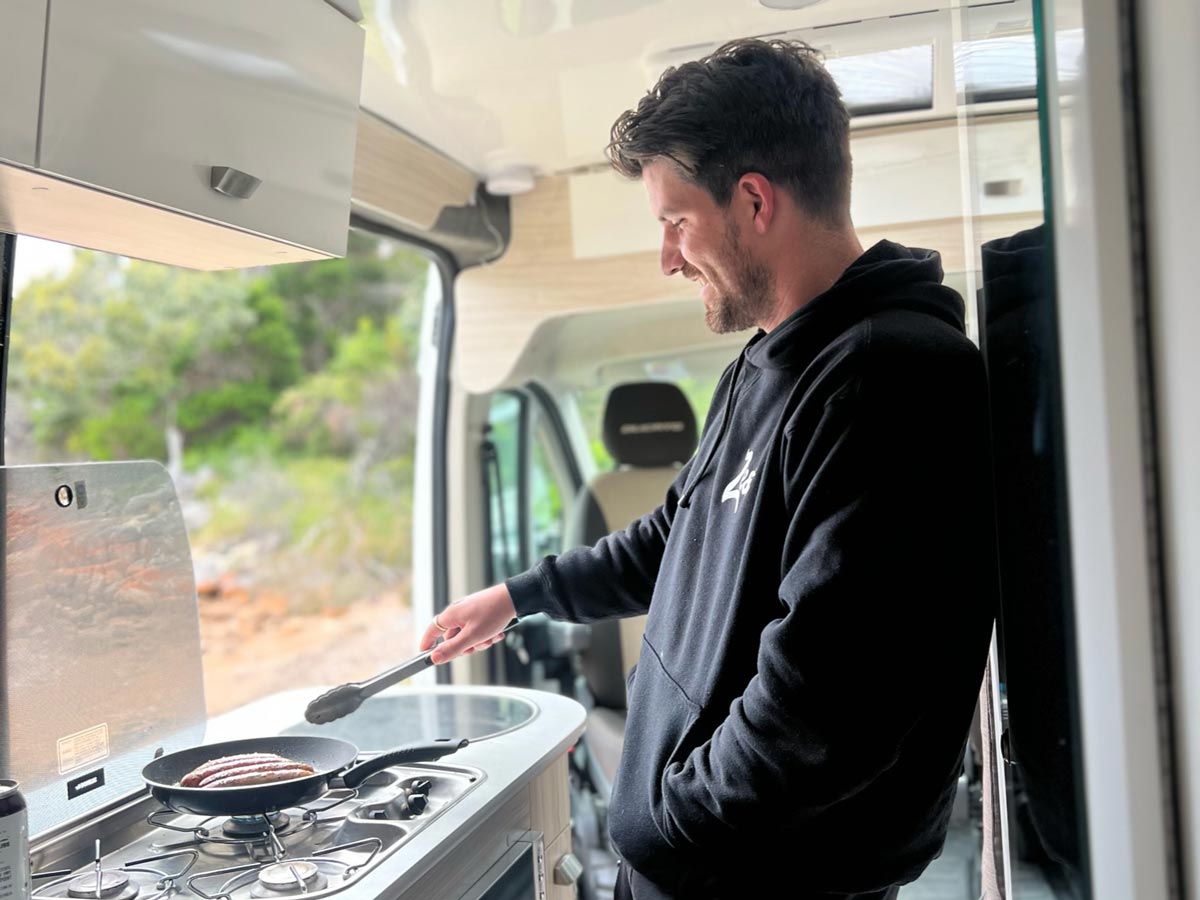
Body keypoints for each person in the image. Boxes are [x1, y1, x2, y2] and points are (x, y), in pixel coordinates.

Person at [419, 38, 999, 900]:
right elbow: (680, 534)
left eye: (674, 221)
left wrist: (662, 824)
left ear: (755, 200)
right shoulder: (767, 364)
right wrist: (521, 597)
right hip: (699, 869)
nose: (668, 256)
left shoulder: (892, 378)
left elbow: (825, 708)